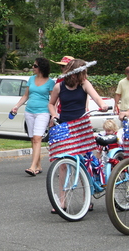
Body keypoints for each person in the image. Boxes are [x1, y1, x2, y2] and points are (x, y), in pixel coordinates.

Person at [48, 59, 108, 213]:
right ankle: (62, 201)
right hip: (65, 127)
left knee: (85, 162)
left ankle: (86, 199)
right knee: (63, 164)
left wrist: (102, 105)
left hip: (82, 126)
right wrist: (54, 116)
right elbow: (51, 103)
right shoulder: (59, 87)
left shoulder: (84, 84)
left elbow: (96, 97)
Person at [11, 58, 54, 176]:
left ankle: (32, 166)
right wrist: (16, 106)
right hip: (29, 111)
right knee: (33, 139)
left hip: (43, 112)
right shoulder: (31, 79)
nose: (33, 68)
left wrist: (53, 114)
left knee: (37, 138)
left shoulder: (50, 83)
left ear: (41, 67)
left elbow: (54, 100)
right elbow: (26, 96)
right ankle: (38, 165)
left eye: (35, 66)